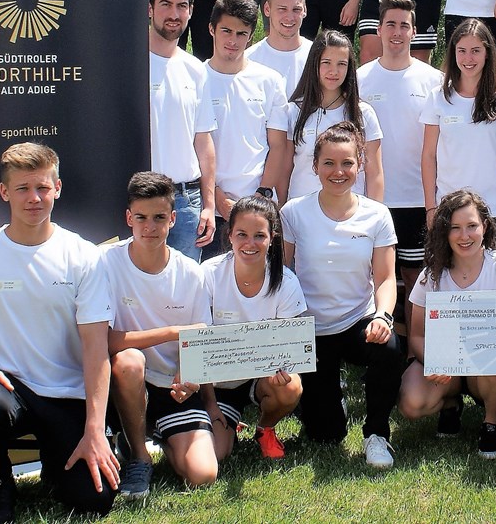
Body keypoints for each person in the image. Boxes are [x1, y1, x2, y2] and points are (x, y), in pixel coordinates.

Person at [0, 143, 118, 522]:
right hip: (6, 388)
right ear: (5, 192)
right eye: (22, 189)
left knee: (95, 501)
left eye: (43, 188)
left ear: (58, 188)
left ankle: (57, 464)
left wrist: (94, 431)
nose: (34, 198)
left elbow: (96, 349)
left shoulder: (84, 256)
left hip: (66, 395)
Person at [280, 122, 402, 468]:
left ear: (359, 165)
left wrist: (383, 316)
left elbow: (385, 278)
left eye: (347, 163)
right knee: (326, 434)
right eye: (329, 163)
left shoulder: (377, 215)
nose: (339, 171)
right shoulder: (293, 213)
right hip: (311, 331)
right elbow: (284, 275)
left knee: (390, 347)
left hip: (356, 322)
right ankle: (325, 399)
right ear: (315, 166)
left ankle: (376, 433)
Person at [101, 172, 215, 499]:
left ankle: (162, 433)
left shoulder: (192, 273)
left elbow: (200, 339)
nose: (150, 226)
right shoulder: (104, 264)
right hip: (124, 380)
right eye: (141, 218)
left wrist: (189, 375)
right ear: (128, 218)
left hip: (172, 385)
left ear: (173, 219)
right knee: (129, 361)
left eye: (159, 217)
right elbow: (104, 340)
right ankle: (138, 455)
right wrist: (170, 332)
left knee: (202, 474)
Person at [398, 190, 496, 459]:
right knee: (412, 402)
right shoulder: (431, 274)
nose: (464, 236)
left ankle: (492, 425)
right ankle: (451, 404)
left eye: (471, 226)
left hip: (486, 367)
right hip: (445, 368)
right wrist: (435, 360)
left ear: (485, 226)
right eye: (455, 228)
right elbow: (417, 335)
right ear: (444, 232)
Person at [356, 0, 443, 336]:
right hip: (371, 200)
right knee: (372, 281)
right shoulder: (360, 78)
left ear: (414, 31)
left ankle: (413, 357)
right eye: (390, 24)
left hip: (418, 200)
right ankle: (377, 356)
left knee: (414, 280)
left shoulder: (434, 79)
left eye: (404, 25)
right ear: (378, 29)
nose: (397, 31)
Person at [201, 195, 306, 462]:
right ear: (230, 235)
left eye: (259, 235)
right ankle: (225, 418)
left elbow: (291, 347)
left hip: (260, 380)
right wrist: (211, 407)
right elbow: (197, 349)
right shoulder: (208, 275)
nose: (250, 244)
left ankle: (265, 427)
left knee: (290, 387)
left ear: (272, 237)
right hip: (217, 385)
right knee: (217, 454)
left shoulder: (286, 282)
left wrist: (285, 367)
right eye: (242, 234)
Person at [203, 0, 289, 257]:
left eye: (242, 33)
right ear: (211, 29)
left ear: (251, 35)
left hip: (258, 208)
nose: (233, 40)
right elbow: (192, 145)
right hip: (210, 210)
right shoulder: (195, 78)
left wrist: (261, 195)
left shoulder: (270, 80)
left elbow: (278, 145)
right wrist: (216, 197)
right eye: (226, 30)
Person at [421, 18, 496, 246]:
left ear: (488, 53)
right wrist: (430, 207)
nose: (468, 58)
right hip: (449, 208)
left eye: (476, 51)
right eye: (462, 51)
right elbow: (428, 156)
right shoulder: (438, 97)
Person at [148, 0, 216, 262]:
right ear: (150, 8)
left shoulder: (196, 68)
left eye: (182, 5)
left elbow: (203, 141)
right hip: (142, 199)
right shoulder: (126, 60)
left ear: (190, 12)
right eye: (165, 4)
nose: (174, 13)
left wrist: (209, 205)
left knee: (184, 299)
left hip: (188, 204)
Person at [271, 29, 383, 204]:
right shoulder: (293, 112)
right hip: (301, 214)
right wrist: (282, 213)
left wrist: (375, 217)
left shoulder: (363, 113)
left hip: (350, 217)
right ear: (314, 64)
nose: (334, 71)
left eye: (341, 64)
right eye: (327, 62)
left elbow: (374, 172)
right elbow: (284, 169)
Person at [245, 0, 313, 97]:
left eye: (296, 9)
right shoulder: (248, 60)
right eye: (282, 9)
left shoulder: (318, 56)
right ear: (267, 9)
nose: (289, 17)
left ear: (305, 10)